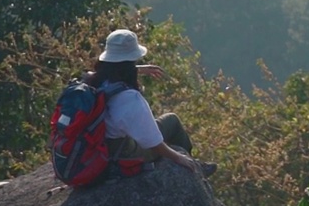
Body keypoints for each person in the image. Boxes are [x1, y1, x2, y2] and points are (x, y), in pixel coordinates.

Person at [84, 28, 216, 176]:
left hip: (94, 146)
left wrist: (138, 69)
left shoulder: (90, 80)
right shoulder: (129, 98)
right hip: (120, 153)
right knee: (172, 121)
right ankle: (196, 168)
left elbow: (113, 71)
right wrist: (180, 158)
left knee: (165, 122)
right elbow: (153, 143)